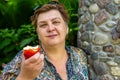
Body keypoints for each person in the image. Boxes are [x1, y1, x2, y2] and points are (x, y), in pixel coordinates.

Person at [2, 1, 89, 80]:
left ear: (66, 28)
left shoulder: (80, 55)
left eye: (55, 22)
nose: (50, 28)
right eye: (43, 25)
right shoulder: (24, 58)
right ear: (38, 33)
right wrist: (25, 76)